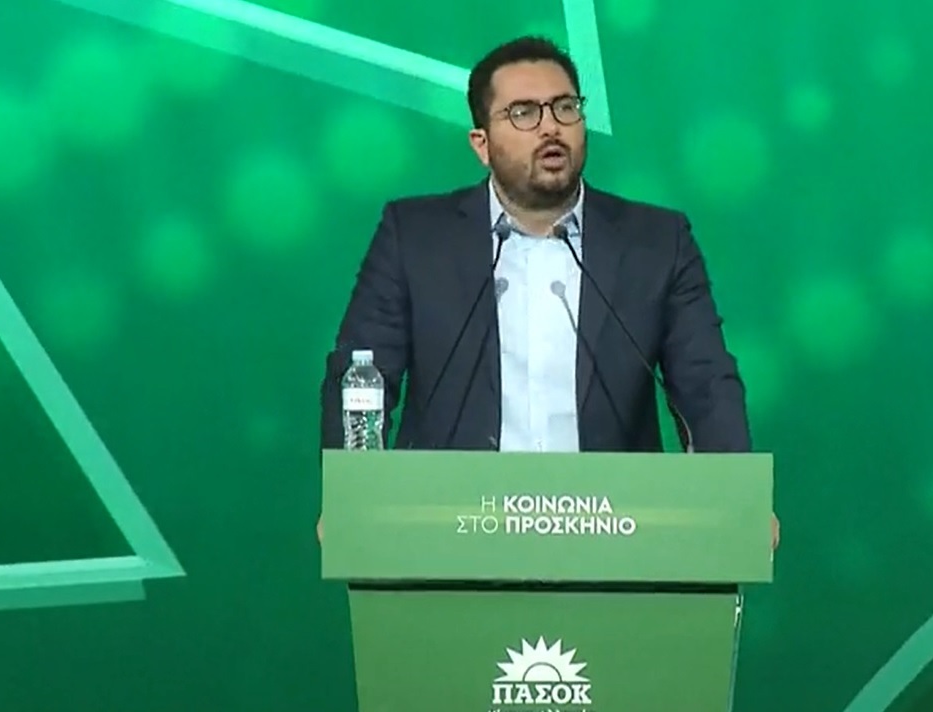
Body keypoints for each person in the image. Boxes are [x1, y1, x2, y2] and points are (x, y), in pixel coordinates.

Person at [318, 36, 777, 548]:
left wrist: (739, 503)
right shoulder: (415, 236)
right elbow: (361, 377)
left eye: (565, 107)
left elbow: (705, 383)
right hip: (455, 531)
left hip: (612, 535)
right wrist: (349, 500)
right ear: (481, 144)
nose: (551, 127)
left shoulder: (656, 242)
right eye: (523, 113)